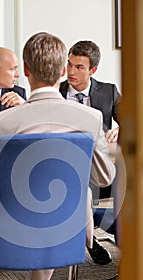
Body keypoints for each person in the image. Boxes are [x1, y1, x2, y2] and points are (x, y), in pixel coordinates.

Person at [0, 32, 116, 280]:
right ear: (62, 72)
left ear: (27, 71)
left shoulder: (2, 121)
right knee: (62, 199)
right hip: (66, 225)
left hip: (10, 224)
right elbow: (105, 179)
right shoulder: (91, 118)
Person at [60, 40, 122, 265]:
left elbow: (134, 122)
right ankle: (89, 241)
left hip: (98, 167)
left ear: (93, 70)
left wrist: (120, 128)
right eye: (69, 64)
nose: (71, 71)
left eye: (79, 67)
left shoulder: (108, 91)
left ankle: (120, 243)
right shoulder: (55, 92)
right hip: (63, 165)